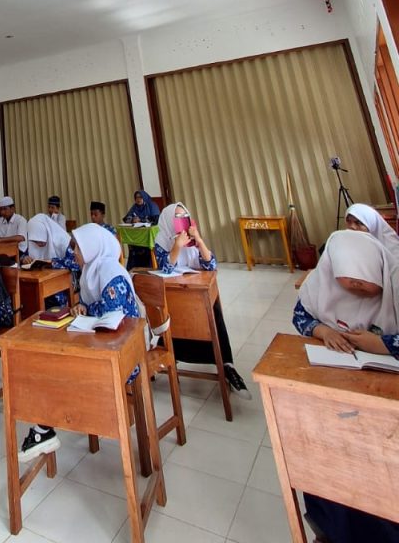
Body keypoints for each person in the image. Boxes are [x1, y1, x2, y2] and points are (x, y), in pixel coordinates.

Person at [292, 230, 399, 543]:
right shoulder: (322, 283)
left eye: (363, 282)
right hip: (334, 381)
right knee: (327, 452)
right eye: (348, 281)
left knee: (379, 463)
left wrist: (382, 344)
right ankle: (332, 528)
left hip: (384, 392)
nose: (355, 287)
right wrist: (322, 330)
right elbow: (300, 316)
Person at [19, 223, 141, 463]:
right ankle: (44, 426)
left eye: (78, 248)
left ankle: (44, 427)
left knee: (64, 371)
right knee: (54, 363)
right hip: (102, 344)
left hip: (125, 355)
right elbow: (93, 307)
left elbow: (113, 313)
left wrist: (86, 310)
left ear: (92, 247)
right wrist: (82, 309)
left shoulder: (110, 272)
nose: (73, 252)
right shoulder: (91, 271)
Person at [153, 203, 250, 397]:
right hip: (174, 294)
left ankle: (226, 365)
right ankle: (168, 356)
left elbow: (211, 265)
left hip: (197, 291)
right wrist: (177, 246)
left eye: (184, 216)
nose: (181, 221)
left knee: (212, 313)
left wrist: (198, 240)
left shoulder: (192, 238)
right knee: (173, 318)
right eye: (177, 217)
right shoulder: (162, 240)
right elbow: (166, 268)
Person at [123, 188, 159, 269]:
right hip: (138, 236)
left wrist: (141, 220)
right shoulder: (135, 207)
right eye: (136, 197)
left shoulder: (151, 205)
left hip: (149, 235)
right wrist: (132, 219)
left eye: (140, 197)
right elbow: (126, 219)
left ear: (144, 197)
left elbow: (156, 219)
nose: (138, 199)